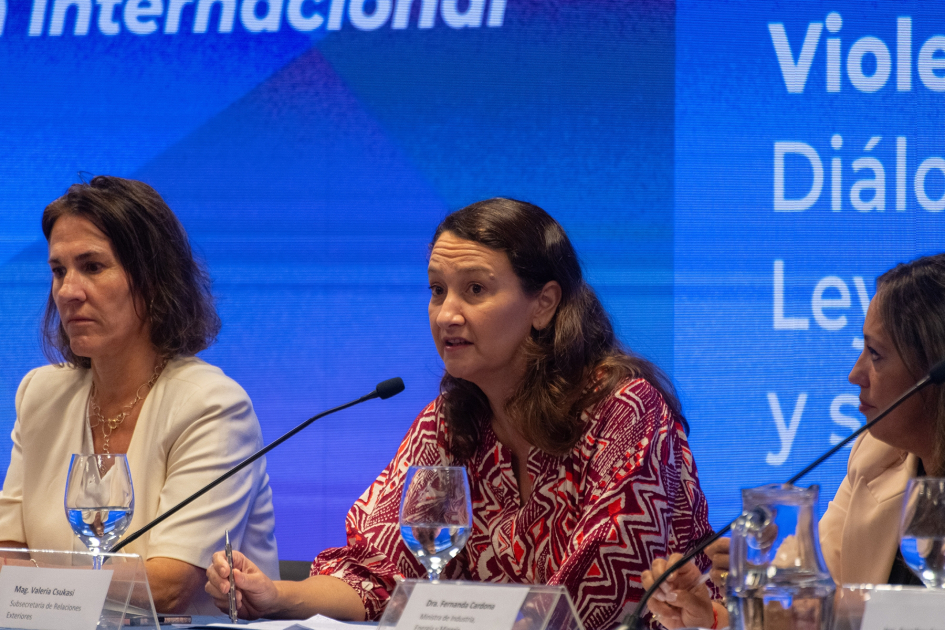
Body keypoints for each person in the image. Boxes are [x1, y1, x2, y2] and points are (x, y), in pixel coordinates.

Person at [205, 198, 714, 629]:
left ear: (544, 304)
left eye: (475, 289)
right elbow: (378, 574)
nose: (447, 313)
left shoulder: (623, 411)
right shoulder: (448, 422)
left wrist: (451, 612)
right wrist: (277, 597)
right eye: (436, 290)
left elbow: (592, 599)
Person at [0, 176, 279, 614]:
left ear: (152, 280)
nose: (68, 291)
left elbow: (169, 587)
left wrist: (35, 579)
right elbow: (7, 550)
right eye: (59, 270)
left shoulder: (212, 406)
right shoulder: (40, 394)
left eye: (92, 266)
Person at [641, 252, 945, 628]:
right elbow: (809, 610)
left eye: (876, 354)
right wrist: (714, 615)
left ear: (935, 370)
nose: (855, 374)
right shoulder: (876, 458)